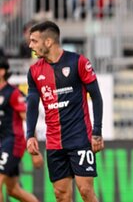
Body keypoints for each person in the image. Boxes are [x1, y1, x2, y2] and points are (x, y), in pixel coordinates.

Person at [26, 21, 104, 202]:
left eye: (34, 41)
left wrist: (97, 132)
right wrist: (30, 135)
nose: (30, 45)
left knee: (86, 191)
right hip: (54, 143)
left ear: (48, 42)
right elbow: (31, 104)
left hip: (80, 140)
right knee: (61, 195)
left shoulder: (78, 62)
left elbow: (97, 98)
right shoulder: (34, 71)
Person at [0, 56, 43, 202]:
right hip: (2, 145)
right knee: (13, 190)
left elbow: (28, 120)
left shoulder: (12, 93)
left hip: (12, 143)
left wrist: (35, 152)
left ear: (2, 71)